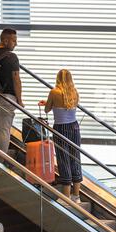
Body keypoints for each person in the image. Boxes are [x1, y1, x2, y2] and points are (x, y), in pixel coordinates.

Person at [39, 69, 82, 204]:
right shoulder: (74, 92)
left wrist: (46, 104)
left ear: (58, 78)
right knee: (75, 158)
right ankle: (76, 196)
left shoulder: (54, 92)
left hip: (61, 128)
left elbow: (48, 109)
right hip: (74, 127)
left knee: (63, 159)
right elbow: (67, 106)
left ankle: (66, 197)